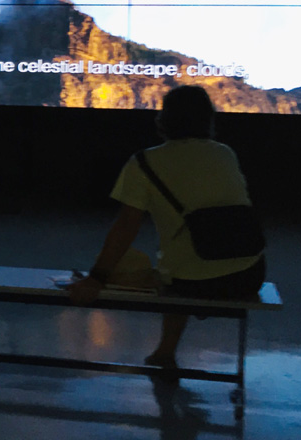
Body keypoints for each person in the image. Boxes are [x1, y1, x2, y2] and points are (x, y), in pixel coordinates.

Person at [69, 85, 266, 369]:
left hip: (190, 283)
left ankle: (166, 351)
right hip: (249, 274)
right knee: (180, 262)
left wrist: (96, 278)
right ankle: (164, 352)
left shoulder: (144, 163)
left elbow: (125, 228)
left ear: (163, 120)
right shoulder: (225, 153)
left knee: (170, 269)